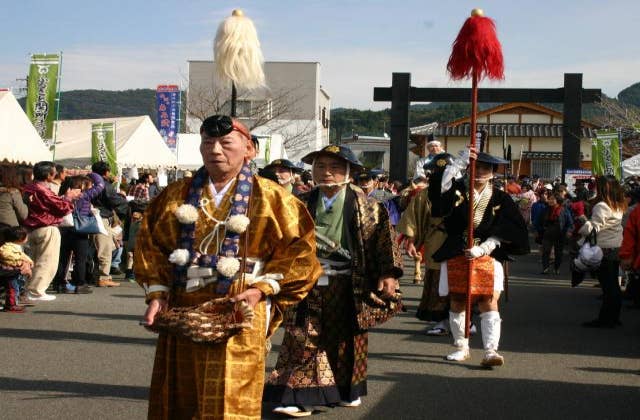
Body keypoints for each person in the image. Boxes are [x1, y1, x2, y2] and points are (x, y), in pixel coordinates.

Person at [135, 115, 320, 419]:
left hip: (241, 300)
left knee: (233, 396)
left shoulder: (273, 197)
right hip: (182, 300)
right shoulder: (174, 195)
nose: (216, 150)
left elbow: (300, 253)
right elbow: (150, 245)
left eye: (225, 143)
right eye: (208, 143)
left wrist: (261, 290)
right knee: (180, 393)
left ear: (249, 149)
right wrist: (157, 293)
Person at [264, 145, 403, 416]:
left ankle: (345, 389)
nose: (327, 173)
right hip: (307, 280)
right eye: (320, 167)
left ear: (350, 173)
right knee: (301, 335)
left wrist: (388, 274)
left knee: (346, 338)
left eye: (335, 167)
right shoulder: (299, 203)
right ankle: (298, 394)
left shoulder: (370, 207)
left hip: (349, 280)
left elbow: (384, 241)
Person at [431, 151, 529, 366]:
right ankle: (461, 346)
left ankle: (491, 350)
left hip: (488, 253)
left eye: (485, 168)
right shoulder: (458, 192)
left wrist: (486, 247)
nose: (479, 172)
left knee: (488, 300)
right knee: (457, 300)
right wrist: (457, 163)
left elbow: (508, 227)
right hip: (458, 251)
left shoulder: (500, 198)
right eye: (475, 167)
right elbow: (439, 193)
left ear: (492, 173)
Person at [398, 153, 453, 331]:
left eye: (444, 171)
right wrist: (412, 240)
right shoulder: (425, 194)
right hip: (435, 239)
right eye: (435, 172)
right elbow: (414, 218)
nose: (439, 175)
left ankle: (463, 319)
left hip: (458, 242)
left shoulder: (463, 191)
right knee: (436, 279)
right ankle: (440, 319)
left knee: (458, 279)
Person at [22, 161, 80, 301]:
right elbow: (61, 207)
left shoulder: (28, 187)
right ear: (48, 175)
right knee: (47, 261)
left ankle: (29, 289)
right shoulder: (42, 189)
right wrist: (69, 198)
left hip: (30, 228)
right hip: (46, 227)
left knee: (33, 260)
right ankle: (37, 291)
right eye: (53, 172)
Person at [579, 175, 626, 328]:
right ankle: (614, 317)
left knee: (607, 286)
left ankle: (605, 319)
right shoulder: (619, 205)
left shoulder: (602, 206)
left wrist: (582, 221)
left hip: (604, 247)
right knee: (613, 285)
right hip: (616, 246)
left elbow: (594, 227)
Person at [53, 174, 105, 294]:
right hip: (81, 231)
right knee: (80, 259)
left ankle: (59, 283)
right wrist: (91, 174)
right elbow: (100, 185)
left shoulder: (62, 196)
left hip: (65, 229)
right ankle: (79, 283)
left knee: (63, 258)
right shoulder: (84, 196)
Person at [90, 161, 129, 287]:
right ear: (106, 172)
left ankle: (94, 274)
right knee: (105, 247)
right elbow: (113, 200)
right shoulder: (103, 185)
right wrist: (126, 204)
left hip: (90, 217)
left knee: (96, 247)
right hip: (101, 217)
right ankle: (103, 277)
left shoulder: (89, 182)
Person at [0, 225, 33, 312]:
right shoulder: (8, 247)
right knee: (12, 289)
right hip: (9, 271)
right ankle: (11, 305)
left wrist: (29, 262)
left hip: (12, 271)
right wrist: (18, 259)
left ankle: (12, 304)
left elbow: (24, 256)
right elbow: (5, 254)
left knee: (13, 288)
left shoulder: (16, 247)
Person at [540, 193, 573, 275]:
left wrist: (569, 231)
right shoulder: (545, 209)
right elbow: (538, 221)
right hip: (547, 233)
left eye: (552, 199)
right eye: (549, 199)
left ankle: (556, 268)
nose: (550, 201)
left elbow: (570, 223)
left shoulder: (564, 210)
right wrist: (539, 230)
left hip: (560, 233)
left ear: (558, 201)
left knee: (558, 253)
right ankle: (545, 268)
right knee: (545, 251)